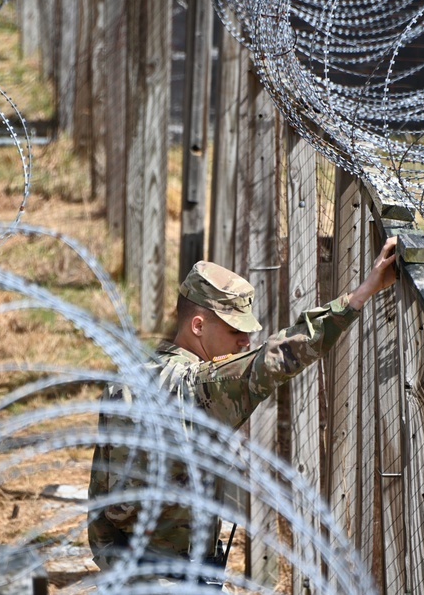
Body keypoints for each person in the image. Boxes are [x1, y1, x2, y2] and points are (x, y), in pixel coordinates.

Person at [87, 236, 399, 583]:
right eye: (235, 330)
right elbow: (274, 359)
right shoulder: (195, 387)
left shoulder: (126, 378)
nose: (244, 341)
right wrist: (358, 297)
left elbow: (103, 499)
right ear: (198, 326)